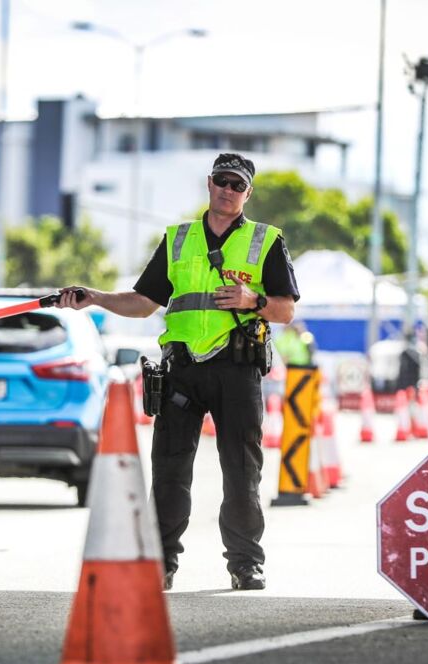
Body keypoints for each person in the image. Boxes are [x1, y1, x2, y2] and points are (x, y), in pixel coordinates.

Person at [57, 152, 300, 591]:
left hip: (237, 367)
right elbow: (143, 302)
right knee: (169, 471)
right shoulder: (177, 239)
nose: (229, 190)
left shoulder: (267, 240)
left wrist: (253, 301)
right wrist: (94, 297)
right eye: (223, 181)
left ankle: (246, 563)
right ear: (210, 183)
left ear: (248, 193)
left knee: (242, 470)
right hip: (182, 369)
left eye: (238, 185)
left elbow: (285, 309)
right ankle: (161, 562)